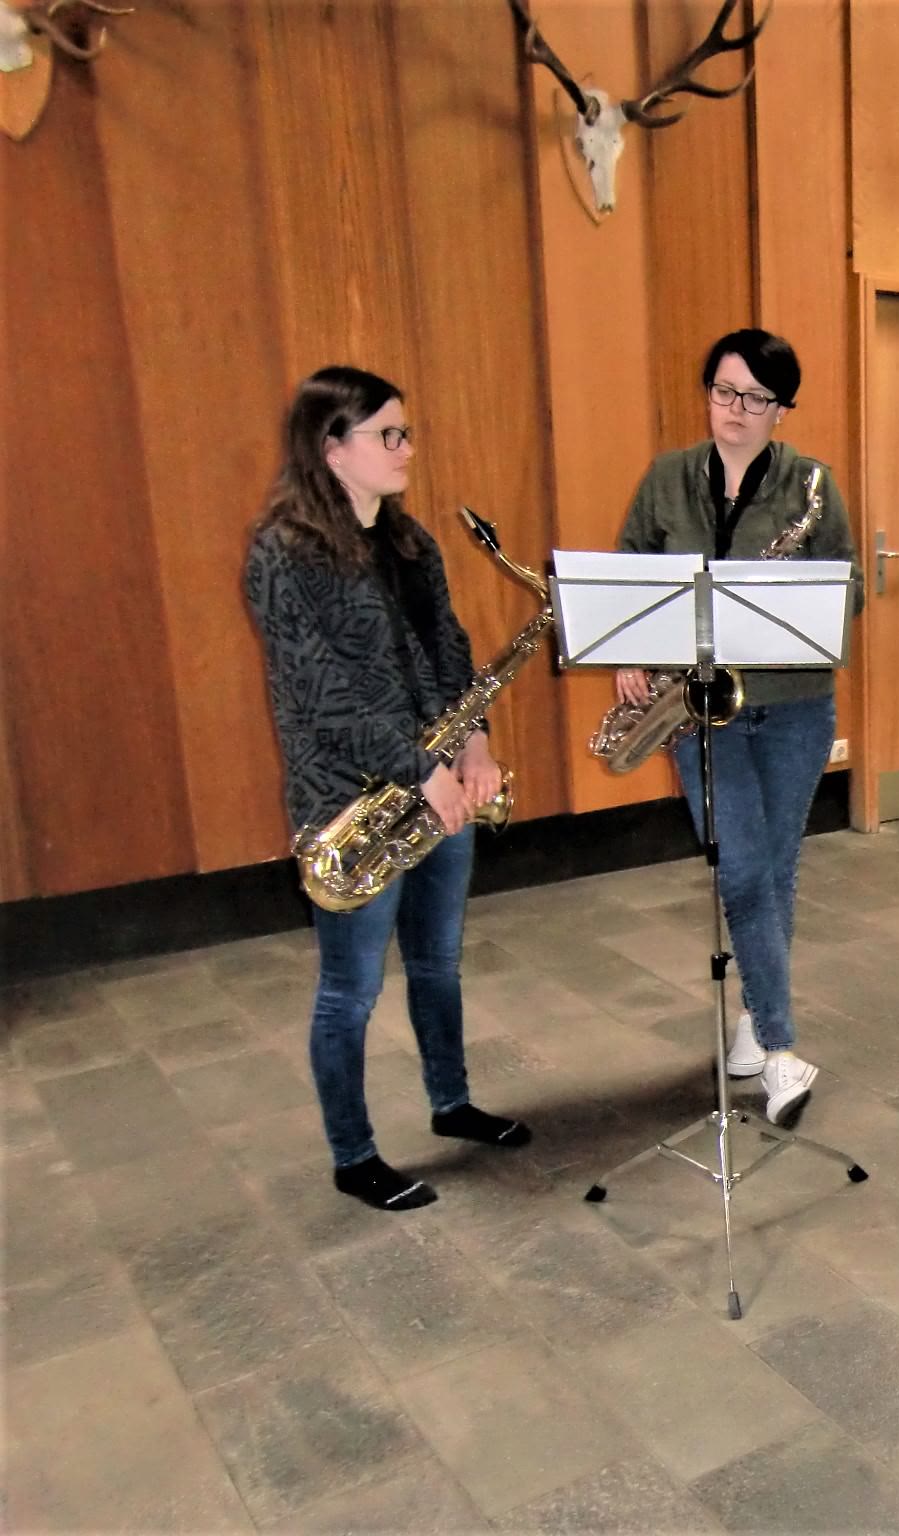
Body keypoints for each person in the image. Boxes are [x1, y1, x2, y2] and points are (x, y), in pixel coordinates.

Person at [245, 366, 532, 1213]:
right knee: (350, 991)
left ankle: (451, 1103)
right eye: (388, 435)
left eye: (406, 433)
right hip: (351, 798)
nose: (406, 449)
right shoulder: (281, 553)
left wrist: (474, 743)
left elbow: (451, 648)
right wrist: (424, 771)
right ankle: (354, 1154)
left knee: (437, 962)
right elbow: (319, 694)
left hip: (437, 780)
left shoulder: (411, 543)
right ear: (332, 448)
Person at [614, 329, 862, 1125]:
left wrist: (794, 600)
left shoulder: (813, 484)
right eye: (724, 391)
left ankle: (755, 1020)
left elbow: (850, 590)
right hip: (698, 707)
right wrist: (631, 650)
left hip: (794, 707)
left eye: (757, 397)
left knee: (774, 868)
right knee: (744, 870)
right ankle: (783, 1050)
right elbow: (628, 569)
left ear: (781, 409)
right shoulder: (666, 478)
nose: (736, 409)